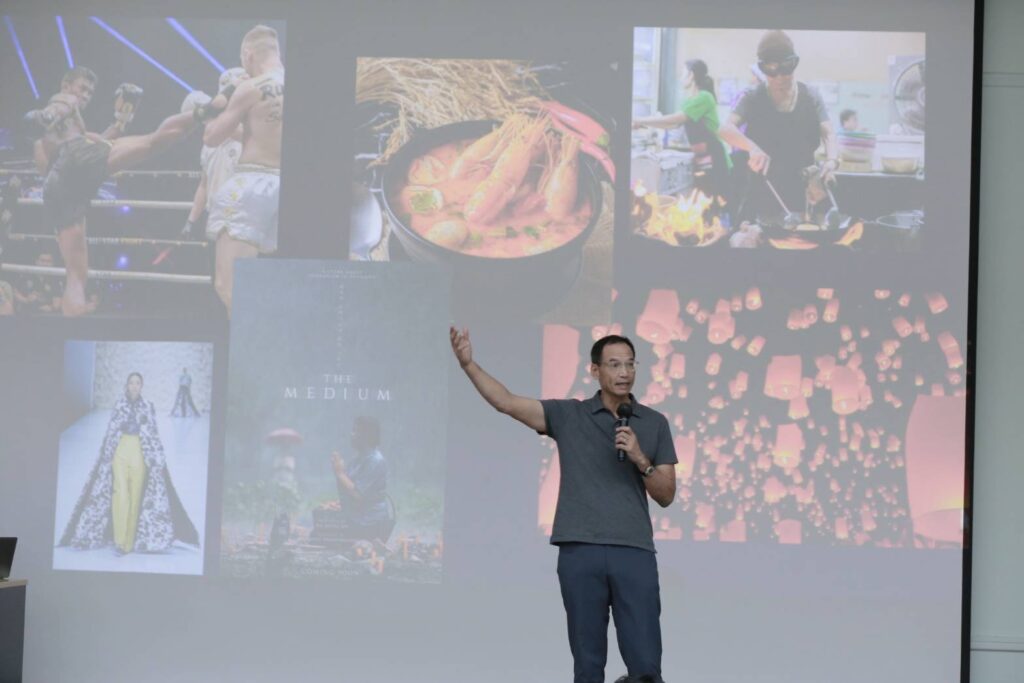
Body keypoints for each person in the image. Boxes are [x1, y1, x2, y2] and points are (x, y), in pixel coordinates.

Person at [450, 328, 677, 683]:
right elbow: (506, 402)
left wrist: (640, 458)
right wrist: (468, 365)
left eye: (630, 364)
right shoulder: (570, 415)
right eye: (614, 364)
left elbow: (666, 494)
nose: (624, 372)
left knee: (646, 666)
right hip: (580, 550)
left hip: (633, 550)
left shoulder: (654, 423)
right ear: (595, 370)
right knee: (587, 664)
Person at [24, 67, 209, 316]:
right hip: (71, 168)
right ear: (66, 85)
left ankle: (71, 328)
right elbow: (61, 107)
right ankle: (202, 112)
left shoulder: (69, 131)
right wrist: (46, 115)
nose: (85, 95)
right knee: (152, 142)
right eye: (82, 88)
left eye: (90, 92)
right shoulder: (63, 101)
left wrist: (121, 121)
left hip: (59, 188)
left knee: (76, 275)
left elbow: (95, 144)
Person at [59, 372, 200, 554]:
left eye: (137, 383)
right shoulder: (119, 405)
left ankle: (129, 543)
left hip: (139, 451)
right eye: (131, 382)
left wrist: (157, 459)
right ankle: (120, 541)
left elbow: (153, 433)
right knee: (120, 494)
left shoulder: (148, 406)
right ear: (127, 385)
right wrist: (106, 455)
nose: (134, 386)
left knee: (135, 496)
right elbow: (110, 431)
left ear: (141, 386)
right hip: (120, 450)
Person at [718, 30, 840, 223]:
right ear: (763, 69)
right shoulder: (752, 97)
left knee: (805, 234)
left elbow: (829, 133)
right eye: (772, 72)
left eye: (786, 71)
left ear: (793, 64)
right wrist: (753, 148)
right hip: (764, 188)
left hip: (804, 188)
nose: (780, 78)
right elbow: (725, 129)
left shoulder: (811, 96)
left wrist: (832, 161)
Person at [203, 25, 284, 313]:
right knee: (275, 283)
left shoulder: (250, 88)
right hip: (291, 188)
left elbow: (212, 137)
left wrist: (219, 102)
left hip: (251, 186)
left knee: (230, 286)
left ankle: (259, 340)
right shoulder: (306, 87)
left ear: (248, 55)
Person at [633, 59, 732, 204]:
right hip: (702, 157)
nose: (680, 77)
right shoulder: (690, 100)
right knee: (704, 203)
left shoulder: (704, 97)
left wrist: (641, 120)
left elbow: (676, 119)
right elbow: (673, 125)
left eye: (683, 73)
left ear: (691, 75)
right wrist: (642, 123)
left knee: (713, 204)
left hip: (714, 158)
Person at [182, 67, 247, 238]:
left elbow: (240, 133)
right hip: (217, 217)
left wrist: (212, 116)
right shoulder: (209, 145)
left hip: (244, 216)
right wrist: (191, 220)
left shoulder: (250, 131)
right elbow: (204, 184)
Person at [330, 416, 393, 542]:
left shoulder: (375, 461)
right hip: (357, 517)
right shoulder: (358, 459)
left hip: (370, 522)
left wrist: (340, 473)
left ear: (366, 436)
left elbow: (358, 494)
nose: (351, 434)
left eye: (355, 431)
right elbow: (348, 488)